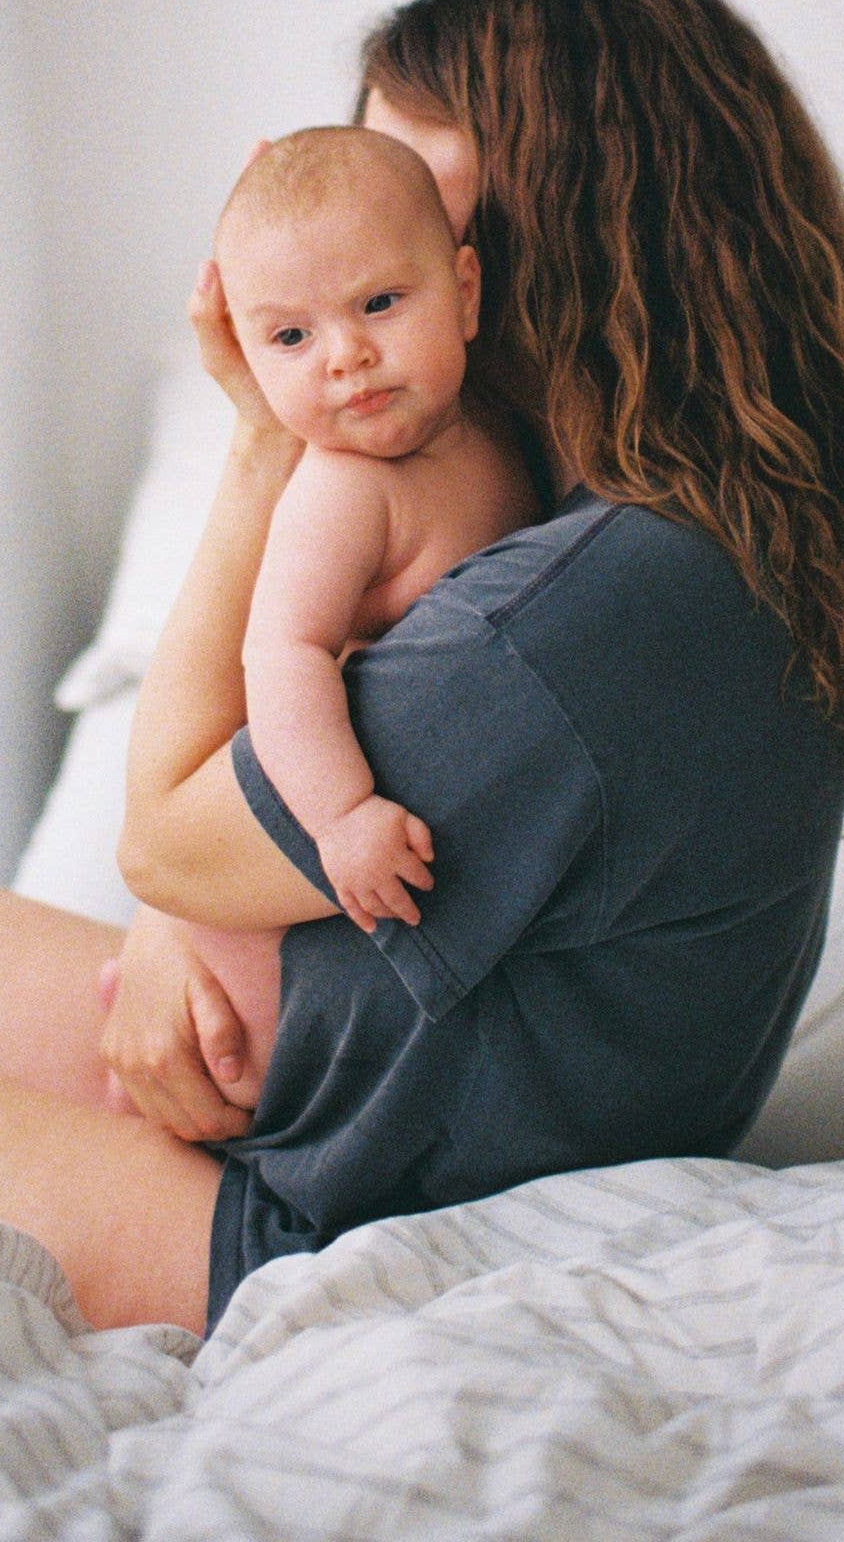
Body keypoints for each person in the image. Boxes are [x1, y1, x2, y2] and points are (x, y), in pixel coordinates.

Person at [0, 0, 844, 1341]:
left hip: (311, 1209)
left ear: (511, 246)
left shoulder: (590, 609)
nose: (355, 267)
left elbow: (166, 838)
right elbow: (212, 854)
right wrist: (186, 916)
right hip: (333, 1090)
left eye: (403, 209)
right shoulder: (682, 516)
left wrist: (262, 440)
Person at [97, 122, 538, 1112]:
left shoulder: (499, 427)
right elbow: (283, 654)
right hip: (297, 897)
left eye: (380, 303)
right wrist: (340, 813)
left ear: (465, 292)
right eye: (290, 337)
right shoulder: (342, 490)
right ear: (248, 355)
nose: (347, 357)